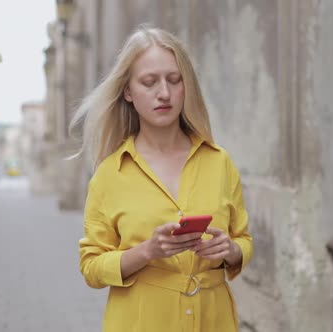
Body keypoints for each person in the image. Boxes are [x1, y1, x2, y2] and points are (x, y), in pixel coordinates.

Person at [70, 25, 253, 332]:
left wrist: (230, 250)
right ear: (128, 91)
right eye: (149, 82)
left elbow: (243, 240)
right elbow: (91, 267)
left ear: (186, 86)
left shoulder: (219, 162)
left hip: (214, 320)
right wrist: (147, 251)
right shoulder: (110, 175)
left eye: (174, 79)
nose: (164, 93)